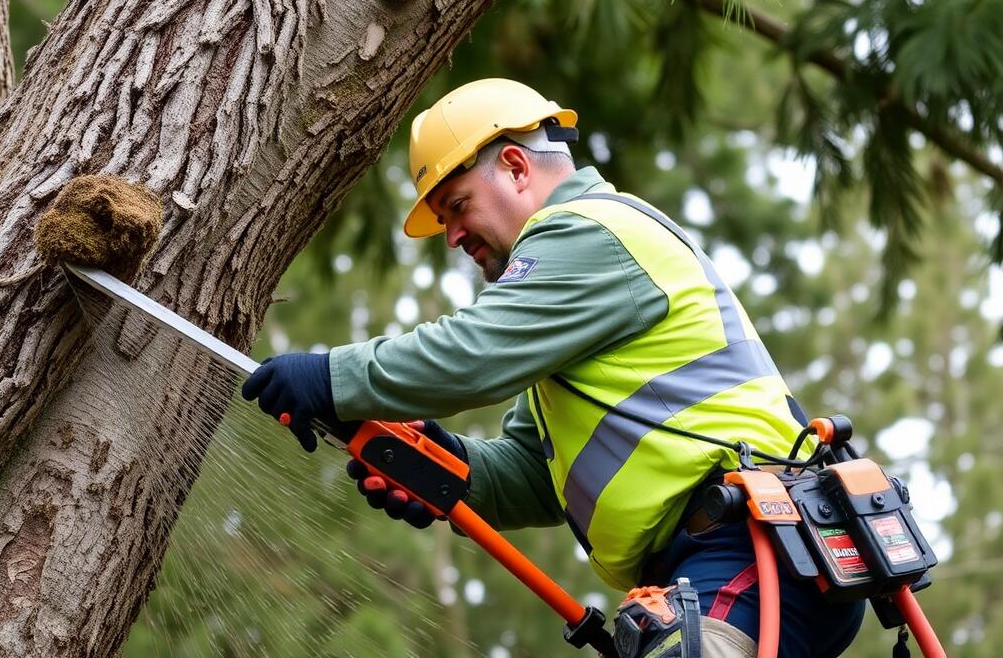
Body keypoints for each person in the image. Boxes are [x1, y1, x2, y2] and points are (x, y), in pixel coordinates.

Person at [241, 78, 864, 657]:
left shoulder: (589, 232)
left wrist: (330, 379)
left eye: (457, 206)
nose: (452, 235)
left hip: (750, 543)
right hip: (726, 556)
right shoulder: (567, 320)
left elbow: (473, 355)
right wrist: (447, 469)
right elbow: (539, 476)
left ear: (514, 167)